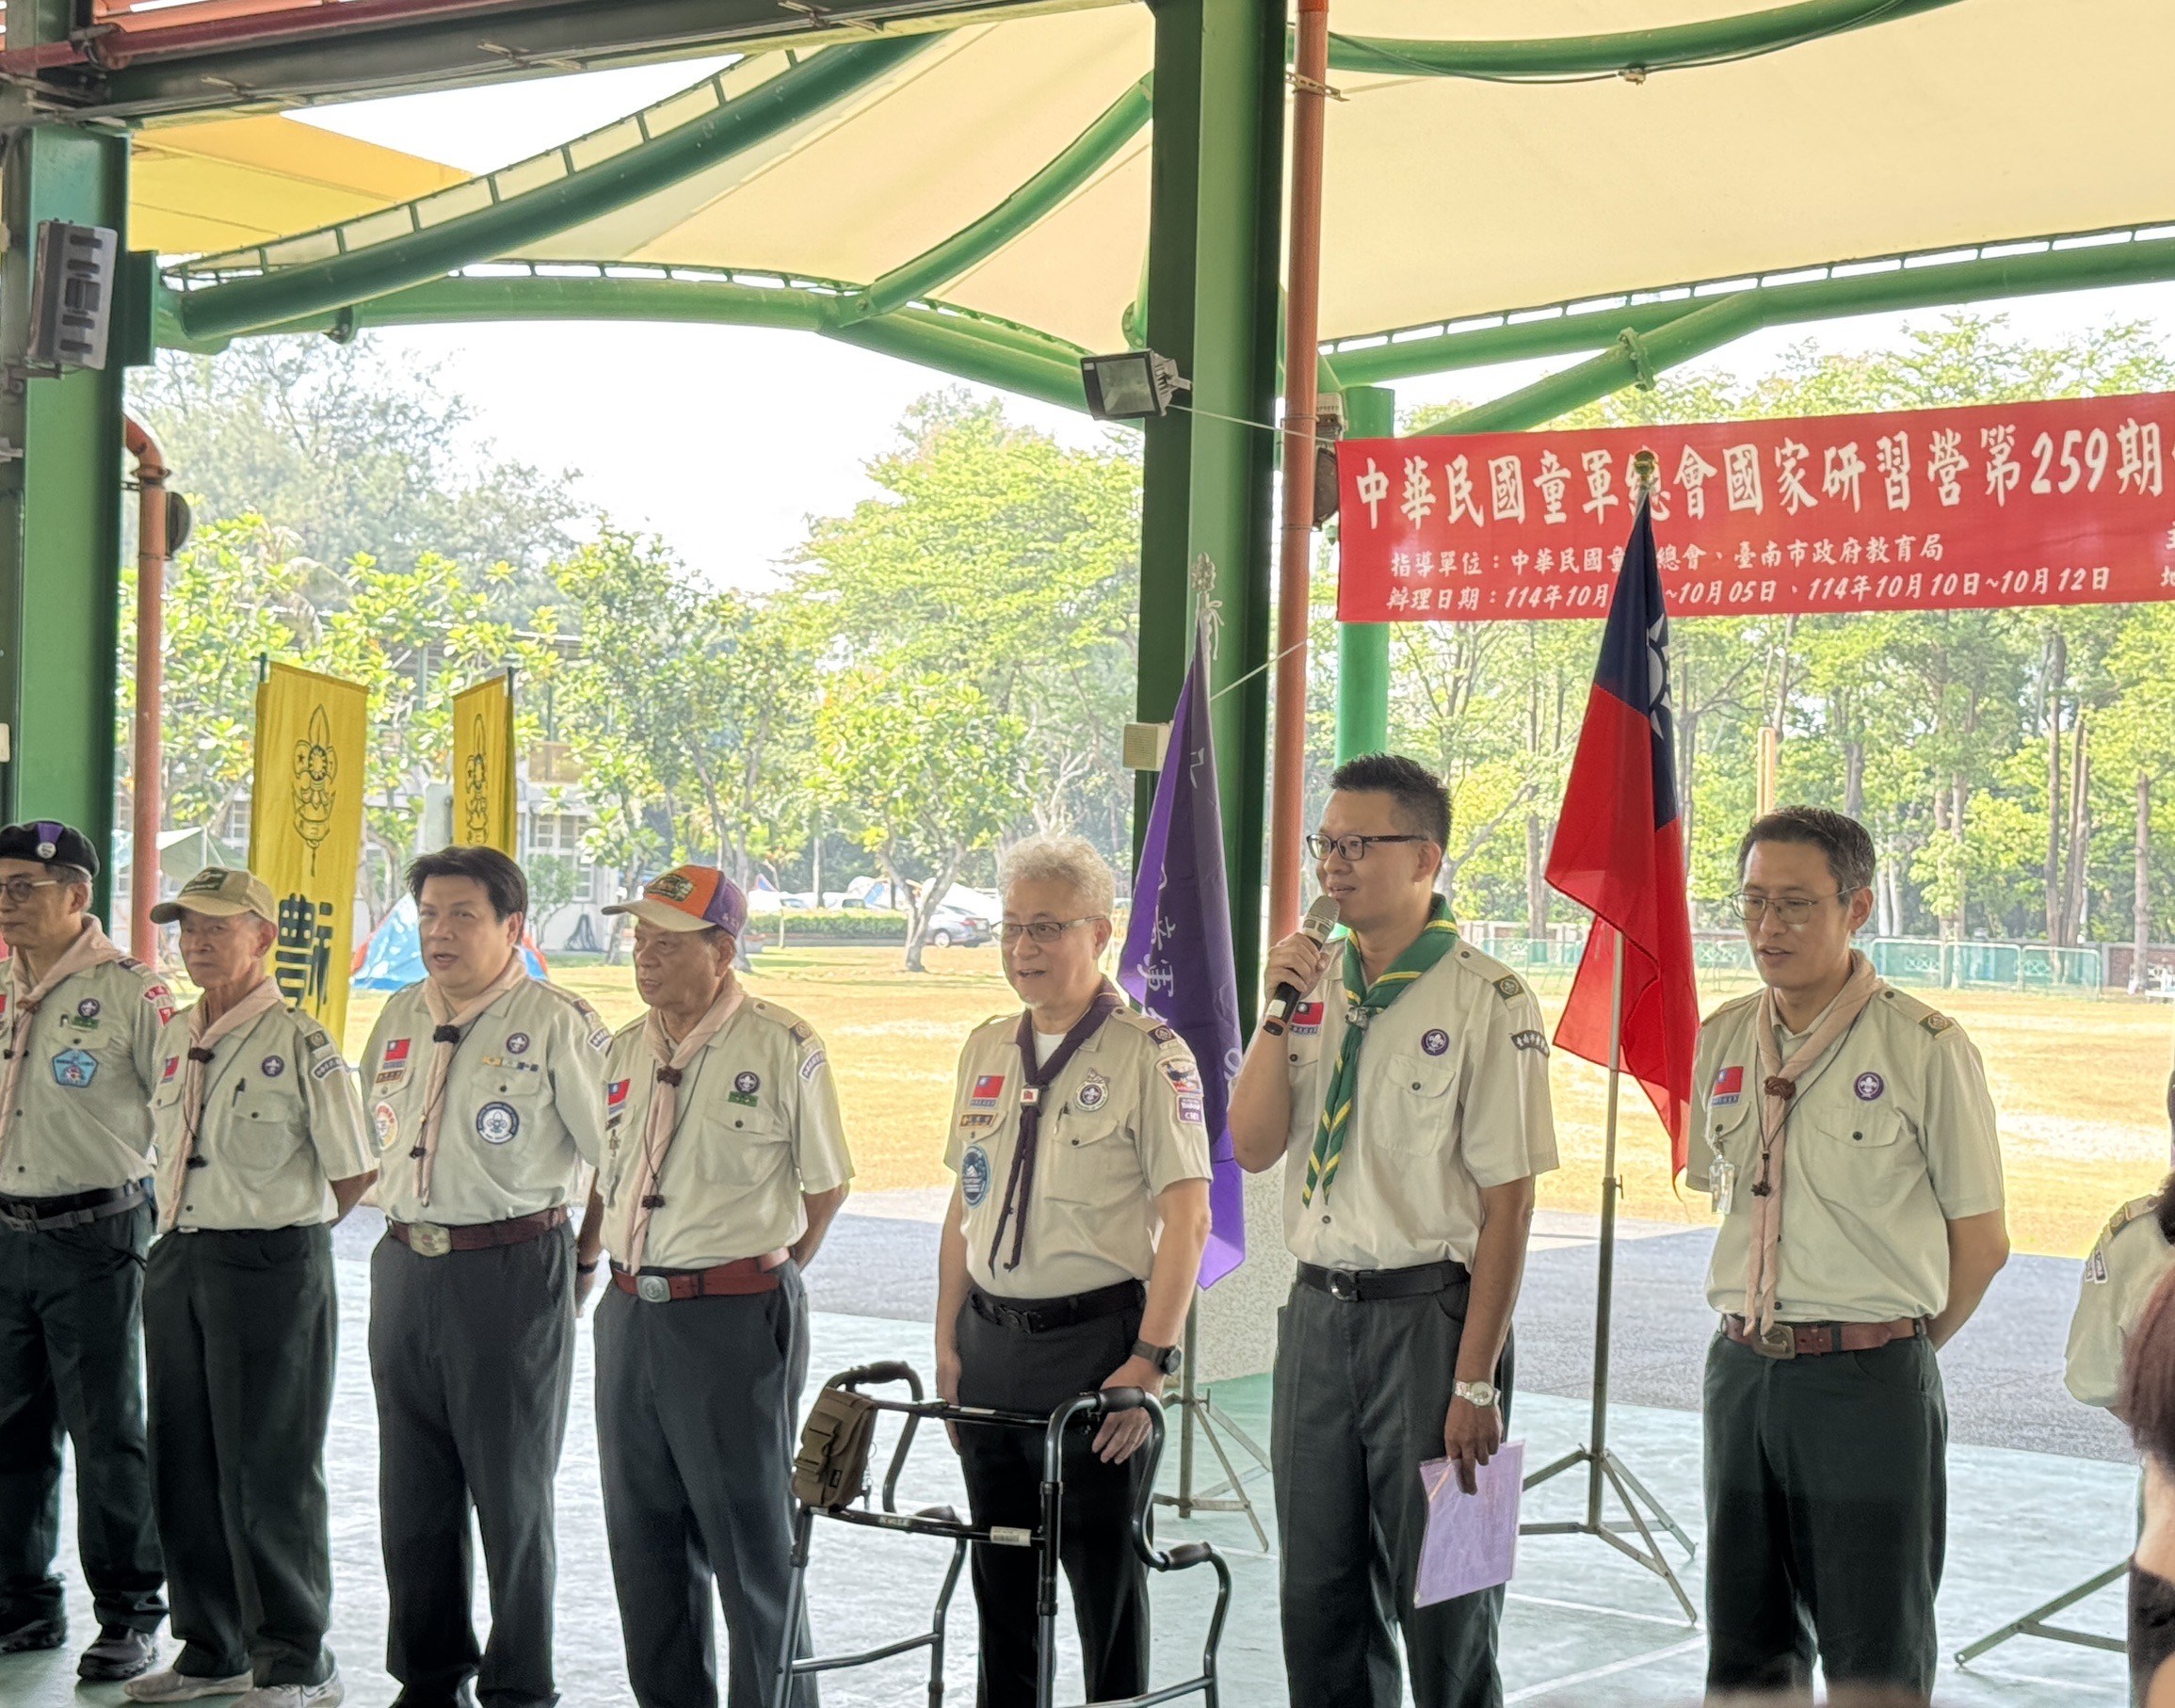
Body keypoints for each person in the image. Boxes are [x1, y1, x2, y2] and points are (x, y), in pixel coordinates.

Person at [1229, 752, 1556, 1708]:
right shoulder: (1311, 983)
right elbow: (1252, 1146)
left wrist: (1475, 1375)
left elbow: (1511, 1203)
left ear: (1425, 857)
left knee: (1454, 1602)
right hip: (1320, 1321)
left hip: (1437, 1323)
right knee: (1319, 1598)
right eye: (1325, 843)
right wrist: (1271, 1013)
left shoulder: (1488, 998)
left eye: (1358, 843)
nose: (1334, 863)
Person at [1687, 806, 2009, 1701]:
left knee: (1875, 1652)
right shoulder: (1721, 1038)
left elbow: (1981, 1244)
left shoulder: (1924, 1048)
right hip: (1743, 1374)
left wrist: (1889, 1351)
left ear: (1857, 905)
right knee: (1746, 1649)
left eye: (1795, 904)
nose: (1767, 927)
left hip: (1867, 1383)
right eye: (1752, 903)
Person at [935, 834, 1213, 1708]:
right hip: (991, 1348)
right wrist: (947, 1339)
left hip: (1095, 1354)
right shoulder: (986, 1046)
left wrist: (1149, 1363)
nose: (1023, 950)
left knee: (1104, 1585)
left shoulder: (1148, 1053)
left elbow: (1189, 1218)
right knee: (1001, 1576)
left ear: (1100, 931)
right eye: (1011, 928)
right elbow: (963, 1208)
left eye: (1046, 928)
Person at [575, 865, 851, 1708]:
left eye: (668, 941)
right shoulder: (622, 1049)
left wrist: (760, 1278)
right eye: (640, 939)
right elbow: (606, 1175)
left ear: (723, 951)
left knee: (749, 1541)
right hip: (630, 1316)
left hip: (733, 1316)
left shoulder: (780, 1045)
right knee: (644, 1538)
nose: (645, 956)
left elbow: (825, 1186)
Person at [359, 846, 609, 1708]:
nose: (440, 931)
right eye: (428, 914)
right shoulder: (396, 1015)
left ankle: (518, 1686)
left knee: (511, 1494)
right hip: (404, 1267)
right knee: (412, 1490)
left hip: (508, 1268)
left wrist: (581, 1260)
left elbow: (615, 1155)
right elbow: (375, 1136)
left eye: (462, 914)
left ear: (513, 927)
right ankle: (428, 1675)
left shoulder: (556, 1021)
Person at [121, 867, 377, 1708]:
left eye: (217, 927)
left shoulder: (304, 1044)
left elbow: (352, 1172)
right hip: (180, 1257)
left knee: (269, 1467)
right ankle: (211, 1651)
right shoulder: (172, 1033)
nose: (196, 941)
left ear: (265, 938)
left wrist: (274, 1234)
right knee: (183, 1462)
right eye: (187, 926)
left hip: (270, 1262)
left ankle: (299, 1661)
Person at [0, 820, 173, 1682]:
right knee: (9, 1430)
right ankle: (23, 1604)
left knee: (109, 1431)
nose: (7, 904)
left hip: (97, 1234)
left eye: (25, 888)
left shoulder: (134, 993)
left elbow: (180, 1112)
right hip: (6, 1230)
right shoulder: (0, 983)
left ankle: (131, 1615)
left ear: (76, 895)